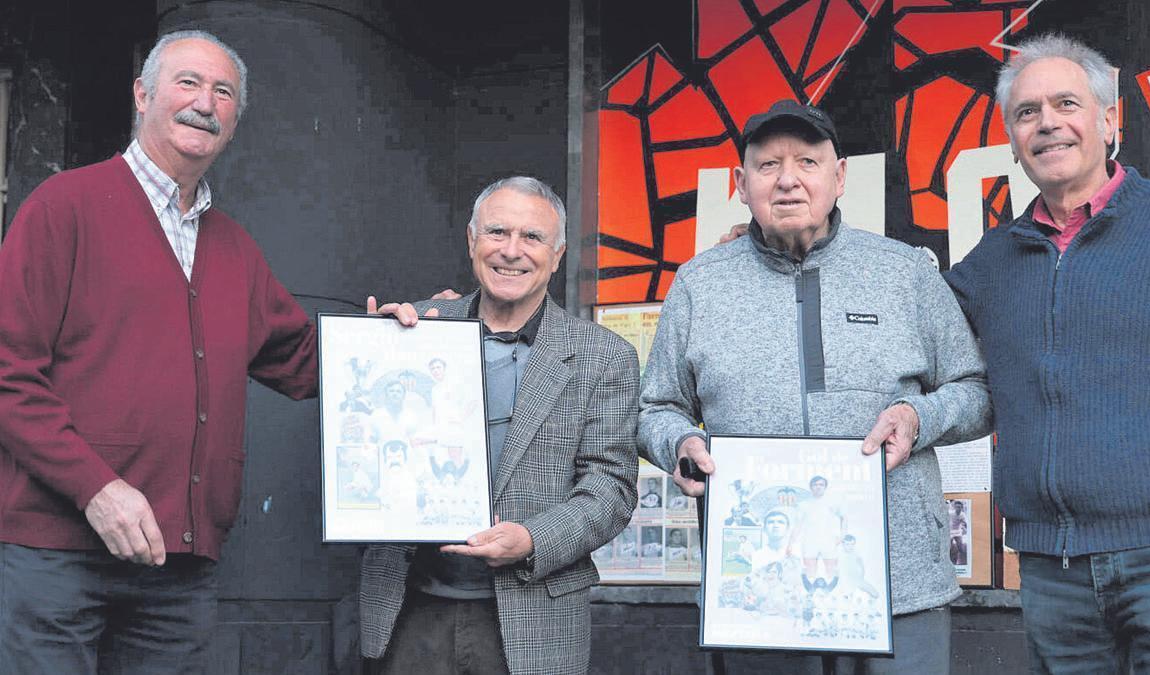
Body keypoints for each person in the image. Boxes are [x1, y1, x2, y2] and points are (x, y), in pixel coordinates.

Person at [0, 30, 318, 673]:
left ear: (235, 120)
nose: (205, 101)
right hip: (58, 559)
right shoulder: (64, 207)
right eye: (188, 82)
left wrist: (415, 331)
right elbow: (7, 371)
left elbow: (305, 360)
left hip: (178, 573)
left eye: (223, 92)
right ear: (142, 95)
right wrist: (95, 489)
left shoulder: (233, 247)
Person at [639, 98, 991, 674]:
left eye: (807, 161)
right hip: (758, 589)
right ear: (740, 182)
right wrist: (678, 445)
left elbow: (976, 391)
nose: (787, 181)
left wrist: (918, 418)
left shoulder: (906, 273)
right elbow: (657, 407)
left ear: (840, 175)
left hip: (897, 583)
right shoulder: (700, 284)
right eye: (767, 165)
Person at [945, 33, 1150, 673]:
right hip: (1052, 577)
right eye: (1027, 112)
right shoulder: (988, 265)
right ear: (1011, 139)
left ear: (1109, 120)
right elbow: (902, 334)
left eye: (1067, 103)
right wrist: (756, 254)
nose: (1048, 123)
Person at [359, 176, 640, 675]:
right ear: (471, 241)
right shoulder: (415, 329)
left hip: (534, 621)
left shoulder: (604, 357)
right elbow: (363, 438)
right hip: (409, 609)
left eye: (532, 237)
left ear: (556, 256)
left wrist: (532, 539)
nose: (512, 251)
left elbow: (610, 488)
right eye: (497, 233)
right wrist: (367, 357)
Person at [794, 476, 847, 581]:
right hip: (809, 541)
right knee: (810, 571)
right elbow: (798, 525)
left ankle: (832, 593)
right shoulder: (803, 505)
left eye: (821, 485)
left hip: (828, 541)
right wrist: (791, 543)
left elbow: (844, 518)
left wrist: (842, 536)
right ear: (811, 487)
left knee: (831, 570)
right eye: (815, 485)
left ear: (825, 487)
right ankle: (811, 593)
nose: (818, 487)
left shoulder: (833, 503)